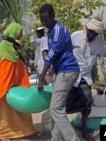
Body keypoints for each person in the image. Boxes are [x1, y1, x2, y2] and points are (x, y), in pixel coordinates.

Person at [0, 22, 38, 141]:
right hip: (4, 90)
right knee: (6, 113)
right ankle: (4, 133)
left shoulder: (11, 47)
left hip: (15, 89)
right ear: (13, 33)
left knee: (20, 109)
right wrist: (7, 87)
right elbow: (2, 72)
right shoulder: (4, 49)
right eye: (19, 33)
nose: (21, 36)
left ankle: (26, 130)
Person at [70, 18, 106, 141]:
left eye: (95, 33)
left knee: (87, 104)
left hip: (85, 77)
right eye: (91, 31)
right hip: (71, 75)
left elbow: (105, 53)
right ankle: (63, 129)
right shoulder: (75, 36)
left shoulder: (98, 42)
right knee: (65, 104)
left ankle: (84, 131)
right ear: (86, 28)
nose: (92, 35)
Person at [38, 4, 80, 141]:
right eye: (42, 21)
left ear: (53, 16)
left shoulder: (58, 30)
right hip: (62, 71)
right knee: (57, 108)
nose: (44, 23)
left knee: (56, 109)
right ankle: (55, 138)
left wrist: (41, 77)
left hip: (67, 71)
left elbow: (51, 55)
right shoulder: (51, 30)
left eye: (46, 20)